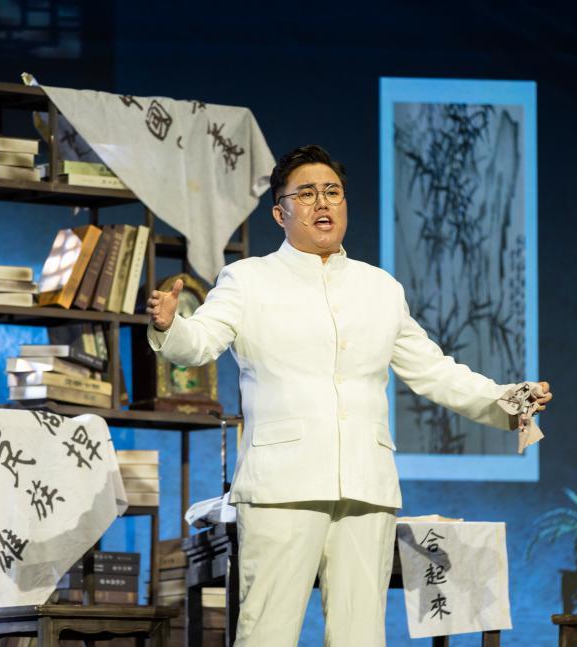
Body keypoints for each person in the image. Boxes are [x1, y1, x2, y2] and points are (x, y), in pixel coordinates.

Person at [147, 144, 552, 647]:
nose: (323, 203)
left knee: (360, 635)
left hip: (366, 484)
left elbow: (433, 371)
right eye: (307, 194)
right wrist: (170, 326)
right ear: (280, 212)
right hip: (282, 485)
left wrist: (510, 400)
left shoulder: (380, 288)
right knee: (267, 632)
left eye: (333, 192)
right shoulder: (248, 279)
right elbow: (199, 341)